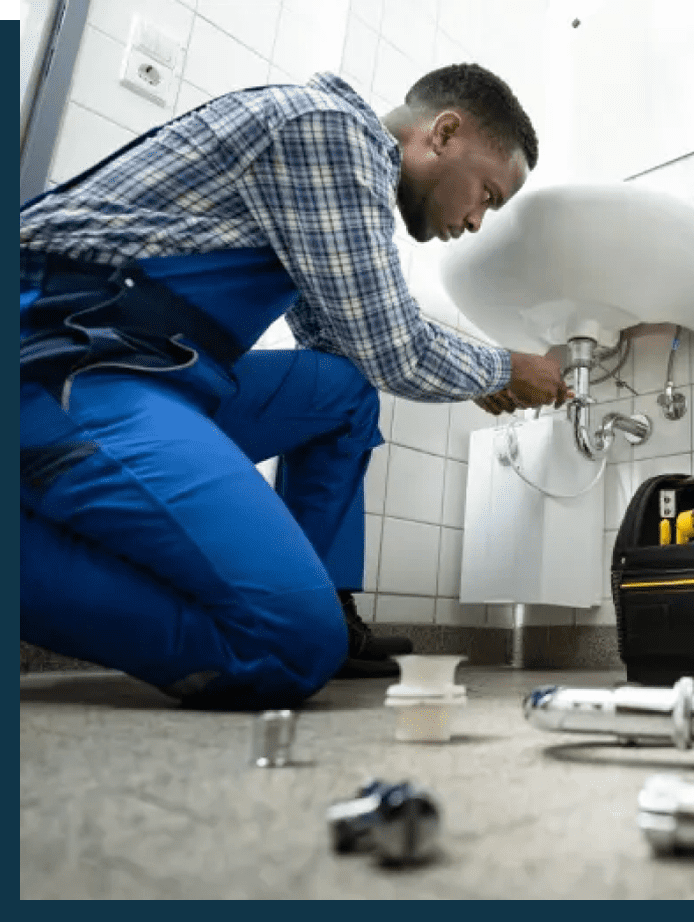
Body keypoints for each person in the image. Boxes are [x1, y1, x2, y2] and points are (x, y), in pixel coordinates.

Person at [19, 64, 569, 709]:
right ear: (443, 134)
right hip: (61, 359)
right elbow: (394, 347)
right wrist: (505, 368)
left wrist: (464, 368)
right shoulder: (330, 133)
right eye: (487, 194)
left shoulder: (332, 167)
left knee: (343, 390)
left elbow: (349, 345)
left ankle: (333, 613)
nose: (477, 220)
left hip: (156, 369)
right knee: (289, 645)